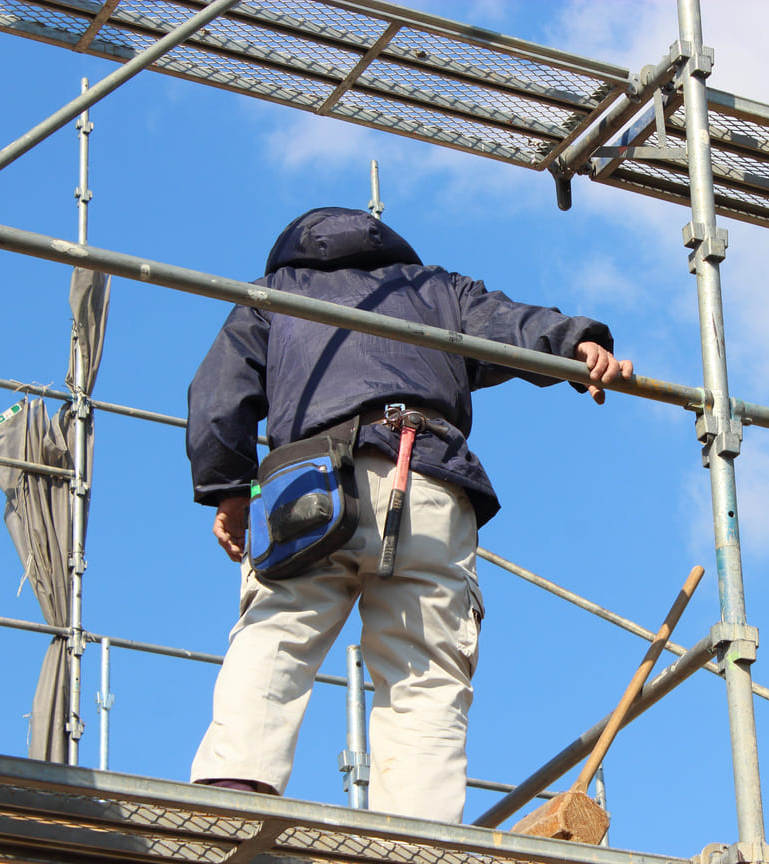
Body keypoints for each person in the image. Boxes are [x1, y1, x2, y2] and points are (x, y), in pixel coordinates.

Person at [186, 207, 631, 822]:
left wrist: (228, 489)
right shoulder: (437, 290)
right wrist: (583, 346)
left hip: (315, 484)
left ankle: (235, 790)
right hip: (429, 477)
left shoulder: (275, 295)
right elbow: (513, 325)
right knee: (424, 668)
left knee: (280, 631)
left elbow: (218, 392)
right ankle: (416, 837)